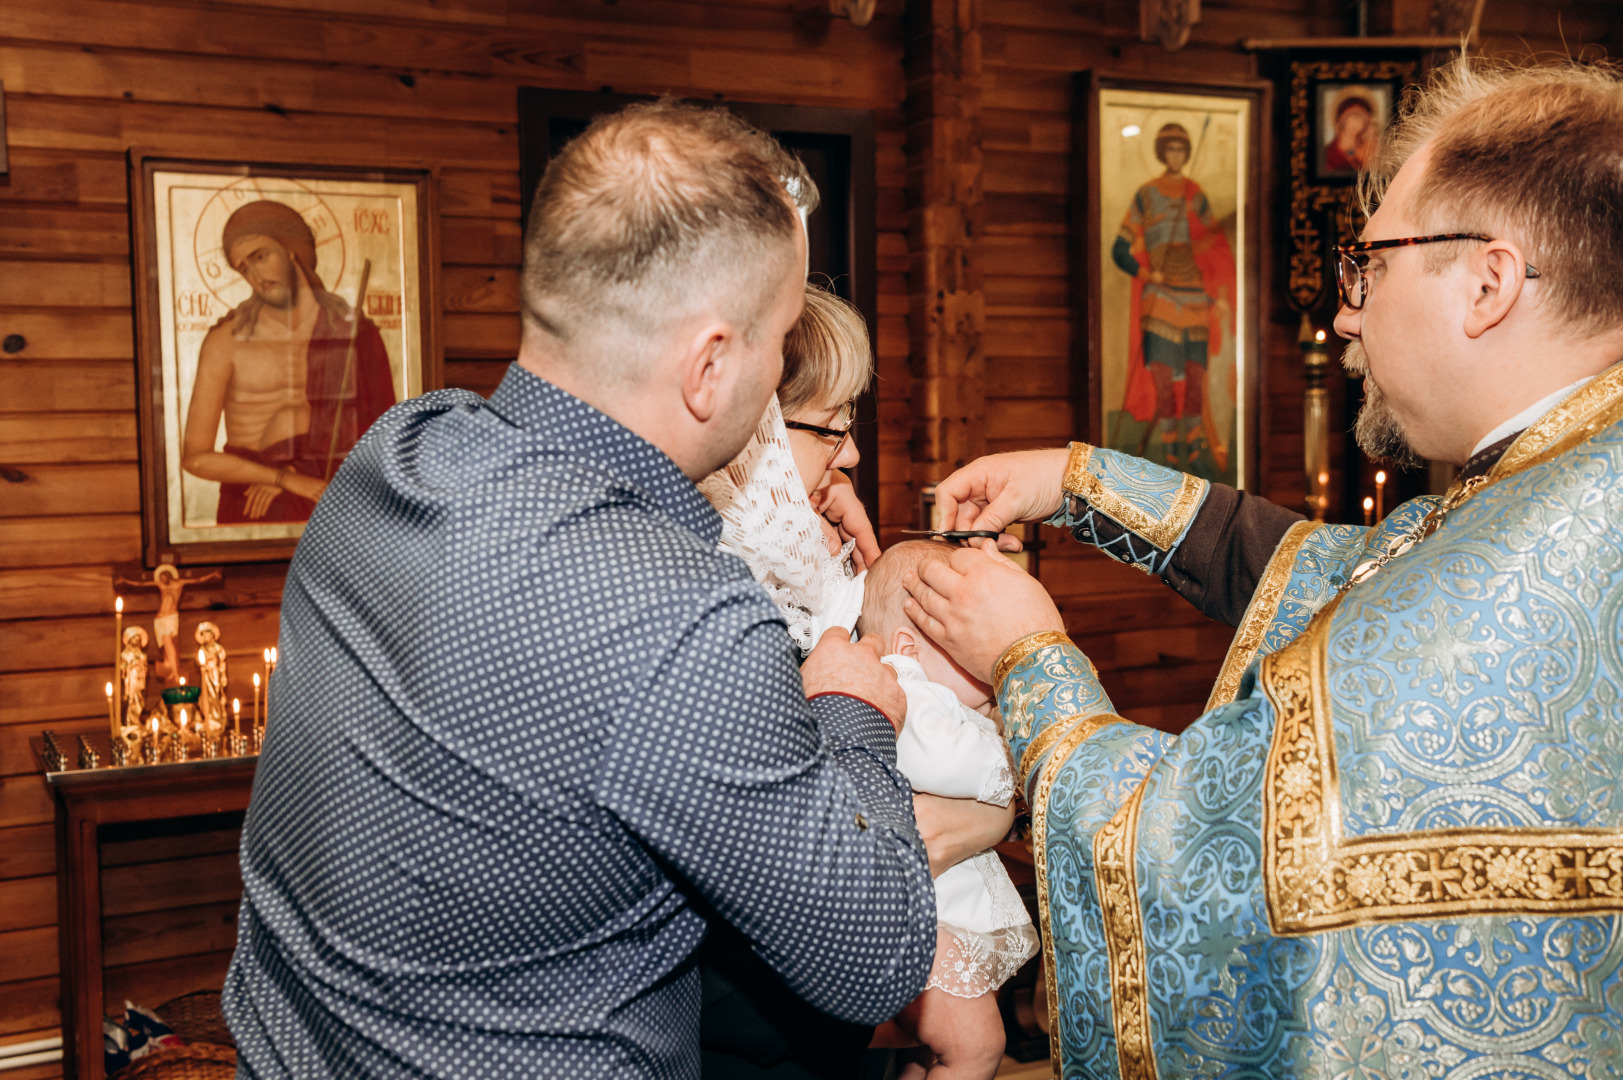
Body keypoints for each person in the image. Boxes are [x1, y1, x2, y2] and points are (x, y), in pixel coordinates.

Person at [902, 57, 1623, 1077]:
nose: (1347, 318)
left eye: (1369, 268)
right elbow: (1351, 576)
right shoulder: (1562, 487)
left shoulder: (1547, 539)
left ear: (1488, 283)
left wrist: (1028, 657)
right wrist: (1077, 482)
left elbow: (1201, 858)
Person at [225, 100, 937, 1079]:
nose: (777, 380)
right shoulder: (682, 618)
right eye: (777, 341)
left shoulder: (393, 454)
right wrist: (852, 712)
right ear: (712, 366)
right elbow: (875, 961)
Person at [697, 285, 1015, 1079]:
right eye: (832, 427)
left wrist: (869, 573)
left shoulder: (802, 562)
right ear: (754, 425)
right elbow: (833, 854)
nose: (852, 455)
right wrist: (987, 811)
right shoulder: (712, 599)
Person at [861, 541, 1038, 1080]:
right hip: (919, 920)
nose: (990, 668)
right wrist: (1020, 762)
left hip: (937, 917)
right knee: (979, 1047)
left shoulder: (943, 697)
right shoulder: (904, 691)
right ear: (909, 648)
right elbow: (940, 759)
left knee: (926, 1052)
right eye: (969, 649)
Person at [181, 200, 395, 524]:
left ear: (290, 249)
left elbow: (384, 441)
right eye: (243, 268)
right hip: (255, 504)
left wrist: (312, 477)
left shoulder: (354, 336)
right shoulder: (227, 342)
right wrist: (283, 479)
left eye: (260, 257)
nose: (255, 276)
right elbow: (195, 458)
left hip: (335, 500)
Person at [1110, 123, 1235, 474]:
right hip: (1160, 297)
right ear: (1162, 153)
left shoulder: (1195, 194)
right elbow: (1119, 250)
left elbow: (1216, 240)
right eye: (1171, 149)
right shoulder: (1145, 195)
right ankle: (1166, 459)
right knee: (1163, 380)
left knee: (1195, 376)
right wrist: (1149, 274)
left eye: (1182, 150)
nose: (1176, 156)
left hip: (1194, 295)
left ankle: (1195, 458)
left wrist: (1206, 259)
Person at [1323, 85, 1380, 173]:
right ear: (1342, 120)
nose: (1361, 123)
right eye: (1356, 117)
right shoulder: (1328, 153)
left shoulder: (1361, 148)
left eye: (1364, 119)